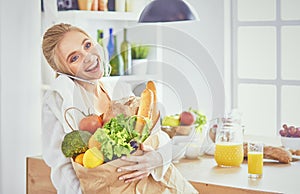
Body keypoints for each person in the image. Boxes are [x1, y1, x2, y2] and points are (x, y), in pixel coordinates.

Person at [41, 23, 173, 193]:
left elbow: (158, 135)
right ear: (63, 71)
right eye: (74, 58)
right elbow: (62, 170)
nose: (88, 57)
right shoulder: (59, 101)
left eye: (87, 45)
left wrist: (158, 158)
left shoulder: (120, 90)